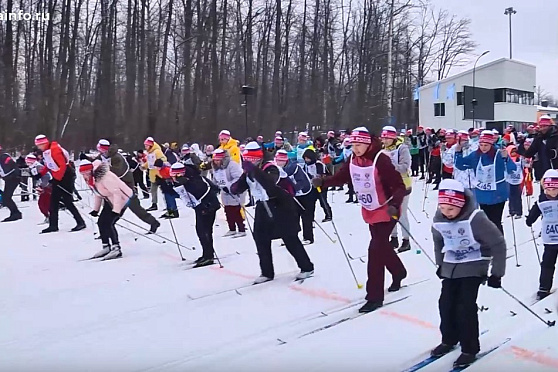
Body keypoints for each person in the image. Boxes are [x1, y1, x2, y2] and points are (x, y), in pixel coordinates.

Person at [313, 127, 407, 313]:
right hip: (370, 209)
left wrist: (395, 205)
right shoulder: (353, 160)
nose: (355, 149)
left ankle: (374, 297)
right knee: (382, 247)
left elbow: (399, 185)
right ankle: (398, 272)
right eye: (353, 145)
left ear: (367, 144)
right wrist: (325, 181)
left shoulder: (382, 160)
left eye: (358, 145)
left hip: (388, 210)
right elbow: (342, 177)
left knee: (375, 250)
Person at [431, 179, 506, 368]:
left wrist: (496, 273)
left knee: (465, 305)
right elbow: (438, 240)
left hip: (474, 263)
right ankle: (449, 338)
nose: (446, 213)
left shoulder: (476, 218)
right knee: (445, 302)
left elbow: (498, 243)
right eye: (443, 208)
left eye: (451, 209)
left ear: (460, 205)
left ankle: (469, 348)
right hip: (451, 263)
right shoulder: (439, 217)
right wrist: (440, 264)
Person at [230, 142, 314, 284]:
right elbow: (240, 186)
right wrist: (234, 188)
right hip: (263, 205)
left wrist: (254, 171)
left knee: (289, 237)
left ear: (258, 158)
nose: (249, 162)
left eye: (251, 159)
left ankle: (307, 267)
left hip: (282, 205)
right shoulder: (250, 171)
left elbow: (269, 183)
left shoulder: (271, 167)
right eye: (246, 159)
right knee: (260, 238)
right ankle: (267, 272)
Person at [454, 130, 516, 235]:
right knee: (485, 222)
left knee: (495, 221)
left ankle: (498, 243)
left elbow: (512, 169)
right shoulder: (475, 155)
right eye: (481, 145)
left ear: (491, 144)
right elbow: (460, 165)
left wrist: (506, 158)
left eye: (486, 145)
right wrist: (458, 152)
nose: (483, 148)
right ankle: (488, 243)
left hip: (497, 194)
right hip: (482, 194)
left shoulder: (499, 154)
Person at [94, 139, 160, 233]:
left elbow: (117, 172)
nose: (99, 152)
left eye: (100, 150)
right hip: (115, 188)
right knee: (114, 210)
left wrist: (101, 169)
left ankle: (153, 222)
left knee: (135, 208)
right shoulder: (103, 157)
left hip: (126, 187)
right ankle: (107, 229)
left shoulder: (117, 157)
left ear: (105, 150)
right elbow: (96, 163)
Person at [169, 162, 221, 267]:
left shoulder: (195, 178)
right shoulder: (186, 178)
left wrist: (187, 184)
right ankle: (206, 253)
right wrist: (165, 185)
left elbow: (201, 191)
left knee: (204, 231)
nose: (173, 178)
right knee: (201, 230)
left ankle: (209, 255)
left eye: (174, 176)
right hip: (200, 207)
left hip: (208, 206)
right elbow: (177, 194)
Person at [79, 160, 133, 260]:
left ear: (90, 171)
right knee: (101, 222)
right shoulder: (92, 179)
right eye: (82, 174)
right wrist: (96, 209)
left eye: (86, 173)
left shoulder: (104, 177)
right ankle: (106, 246)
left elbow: (117, 193)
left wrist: (116, 211)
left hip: (122, 199)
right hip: (110, 200)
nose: (84, 176)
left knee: (109, 223)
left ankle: (116, 248)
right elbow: (98, 193)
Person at [34, 134, 85, 233]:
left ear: (44, 143)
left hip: (66, 176)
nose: (38, 147)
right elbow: (49, 164)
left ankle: (80, 222)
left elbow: (62, 166)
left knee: (67, 201)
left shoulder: (55, 149)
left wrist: (57, 179)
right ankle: (53, 225)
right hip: (59, 176)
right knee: (53, 201)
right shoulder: (46, 151)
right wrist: (41, 174)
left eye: (39, 145)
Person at [526, 169, 558, 300]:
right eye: (548, 189)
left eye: (554, 189)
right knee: (547, 264)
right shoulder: (541, 201)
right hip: (549, 239)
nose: (551, 193)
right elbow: (534, 213)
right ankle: (544, 287)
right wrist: (530, 220)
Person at [380, 126, 412, 252]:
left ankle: (406, 240)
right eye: (383, 137)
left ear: (393, 137)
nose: (385, 140)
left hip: (403, 185)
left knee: (402, 213)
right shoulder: (382, 149)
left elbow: (405, 166)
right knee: (390, 213)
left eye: (387, 138)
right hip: (388, 186)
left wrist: (390, 167)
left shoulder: (402, 148)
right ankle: (394, 238)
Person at [275, 149, 315, 244]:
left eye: (282, 161)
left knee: (306, 217)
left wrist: (293, 190)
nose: (279, 163)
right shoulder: (276, 169)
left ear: (286, 160)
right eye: (278, 160)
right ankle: (292, 238)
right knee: (291, 217)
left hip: (306, 194)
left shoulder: (294, 168)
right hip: (293, 196)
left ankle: (308, 237)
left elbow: (302, 182)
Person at [212, 149, 247, 237]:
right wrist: (215, 186)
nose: (216, 162)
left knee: (235, 210)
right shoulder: (215, 167)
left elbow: (239, 177)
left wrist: (230, 186)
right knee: (227, 210)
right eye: (215, 160)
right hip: (224, 191)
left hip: (235, 191)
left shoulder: (232, 165)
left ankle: (241, 229)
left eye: (218, 160)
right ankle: (232, 229)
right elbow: (216, 178)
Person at [303, 148, 333, 222]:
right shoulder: (306, 166)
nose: (306, 160)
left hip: (321, 186)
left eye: (308, 158)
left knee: (323, 201)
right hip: (312, 187)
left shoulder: (319, 164)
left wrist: (319, 180)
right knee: (311, 203)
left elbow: (323, 174)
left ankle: (328, 215)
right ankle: (310, 217)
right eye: (305, 158)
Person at [143, 137, 167, 211]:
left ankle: (169, 206)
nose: (145, 147)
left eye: (146, 145)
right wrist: (144, 166)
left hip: (160, 174)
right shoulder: (149, 153)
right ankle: (154, 204)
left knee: (165, 191)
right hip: (153, 175)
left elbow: (164, 159)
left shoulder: (157, 151)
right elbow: (149, 162)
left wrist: (158, 164)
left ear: (150, 145)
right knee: (153, 190)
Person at [0, 145, 22, 222]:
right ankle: (15, 213)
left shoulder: (4, 156)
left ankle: (16, 213)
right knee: (6, 197)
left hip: (13, 178)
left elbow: (11, 165)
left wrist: (15, 174)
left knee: (6, 197)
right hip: (9, 179)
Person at [505, 144, 524, 219]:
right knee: (511, 196)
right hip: (509, 180)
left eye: (515, 152)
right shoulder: (508, 160)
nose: (514, 153)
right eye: (512, 152)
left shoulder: (519, 159)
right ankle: (512, 211)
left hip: (518, 180)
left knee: (517, 196)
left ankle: (519, 211)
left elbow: (524, 166)